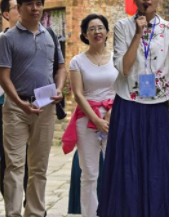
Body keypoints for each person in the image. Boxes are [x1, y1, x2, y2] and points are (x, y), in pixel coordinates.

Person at [97, 0, 169, 217]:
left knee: (156, 162)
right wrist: (138, 34)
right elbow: (124, 68)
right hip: (128, 102)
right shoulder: (122, 27)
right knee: (127, 162)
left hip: (157, 104)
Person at [0, 0, 66, 217]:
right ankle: (13, 214)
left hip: (45, 107)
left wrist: (58, 89)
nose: (35, 8)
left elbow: (60, 67)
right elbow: (4, 76)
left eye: (38, 3)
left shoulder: (50, 35)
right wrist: (19, 102)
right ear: (18, 8)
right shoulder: (8, 39)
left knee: (39, 167)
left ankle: (35, 213)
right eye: (29, 4)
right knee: (15, 166)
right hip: (16, 109)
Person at [61, 14, 117, 217]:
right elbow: (77, 94)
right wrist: (96, 119)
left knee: (115, 171)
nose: (97, 32)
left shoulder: (117, 58)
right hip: (87, 120)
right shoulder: (77, 61)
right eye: (92, 29)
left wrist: (112, 112)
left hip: (114, 117)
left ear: (107, 32)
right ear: (85, 34)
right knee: (89, 174)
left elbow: (123, 88)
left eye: (100, 28)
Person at [0, 0, 22, 196]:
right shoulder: (1, 41)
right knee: (6, 160)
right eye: (17, 7)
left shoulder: (39, 37)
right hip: (4, 107)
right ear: (6, 14)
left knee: (31, 161)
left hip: (29, 107)